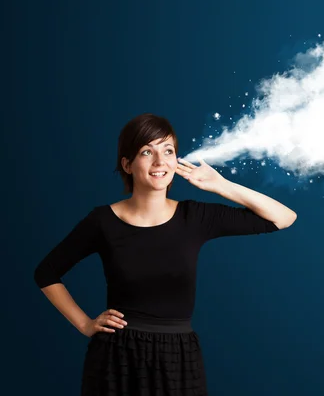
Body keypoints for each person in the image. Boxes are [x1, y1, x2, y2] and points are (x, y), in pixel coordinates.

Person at [33, 113, 297, 396]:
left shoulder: (194, 216)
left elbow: (283, 217)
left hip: (179, 356)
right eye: (147, 151)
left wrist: (221, 186)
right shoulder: (102, 221)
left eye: (167, 151)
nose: (160, 162)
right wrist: (85, 324)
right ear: (127, 164)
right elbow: (46, 272)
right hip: (116, 356)